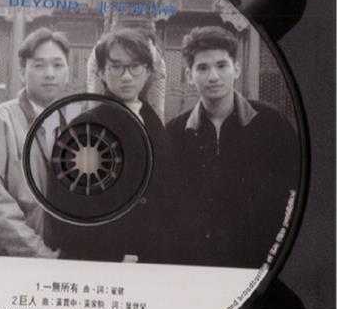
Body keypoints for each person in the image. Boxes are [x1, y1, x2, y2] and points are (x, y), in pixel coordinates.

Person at [165, 26, 299, 268]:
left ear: (236, 69)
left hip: (260, 265)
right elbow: (168, 207)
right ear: (189, 75)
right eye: (202, 68)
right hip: (193, 268)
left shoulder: (272, 124)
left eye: (221, 65)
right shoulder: (174, 133)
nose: (213, 76)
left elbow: (294, 194)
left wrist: (274, 257)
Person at [45, 28, 167, 263]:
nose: (127, 76)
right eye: (116, 67)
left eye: (135, 66)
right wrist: (114, 252)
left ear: (148, 71)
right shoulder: (83, 128)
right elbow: (66, 206)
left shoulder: (155, 124)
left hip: (154, 257)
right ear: (101, 71)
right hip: (105, 258)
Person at [0, 27, 70, 257]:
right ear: (23, 72)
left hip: (64, 256)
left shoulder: (76, 124)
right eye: (39, 65)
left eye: (58, 65)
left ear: (68, 72)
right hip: (12, 258)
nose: (50, 74)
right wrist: (39, 253)